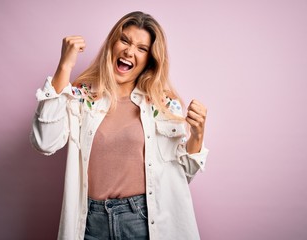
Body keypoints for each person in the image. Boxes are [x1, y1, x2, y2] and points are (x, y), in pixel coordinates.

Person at [31, 11, 209, 240]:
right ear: (113, 44)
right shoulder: (82, 98)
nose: (129, 51)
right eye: (125, 40)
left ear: (149, 59)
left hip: (143, 220)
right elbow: (44, 142)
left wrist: (198, 134)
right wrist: (64, 67)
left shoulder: (162, 104)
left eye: (141, 48)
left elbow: (182, 176)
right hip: (90, 221)